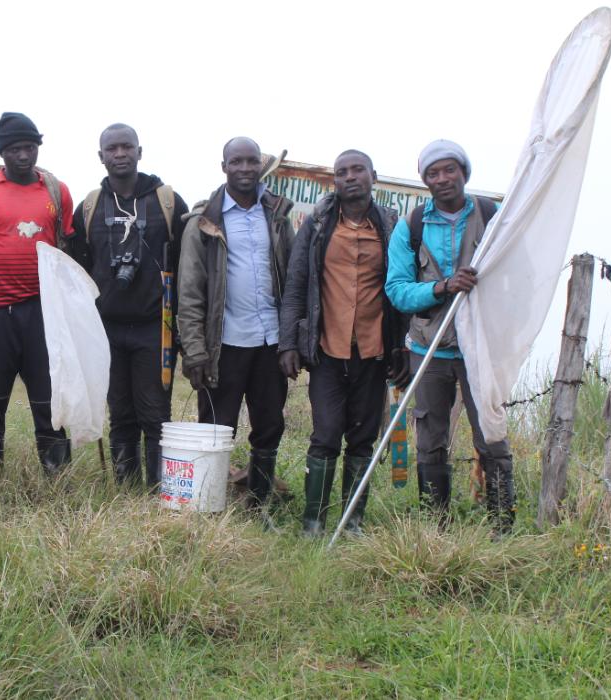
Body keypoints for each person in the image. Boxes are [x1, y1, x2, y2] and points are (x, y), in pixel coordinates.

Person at [385, 139, 515, 535]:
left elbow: (516, 276)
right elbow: (397, 289)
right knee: (430, 439)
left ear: (464, 172)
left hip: (481, 349)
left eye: (449, 170)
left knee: (490, 434)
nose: (442, 179)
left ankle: (501, 525)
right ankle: (435, 528)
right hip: (429, 349)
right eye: (433, 173)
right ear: (424, 180)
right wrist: (441, 288)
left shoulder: (493, 216)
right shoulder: (412, 225)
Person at [279, 150, 409, 536]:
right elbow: (296, 284)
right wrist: (289, 343)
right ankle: (313, 523)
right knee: (325, 435)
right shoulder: (318, 224)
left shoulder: (390, 225)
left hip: (373, 350)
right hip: (327, 350)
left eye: (358, 170)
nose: (350, 177)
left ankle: (352, 523)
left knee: (363, 438)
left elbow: (399, 286)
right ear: (334, 180)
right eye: (342, 172)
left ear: (373, 176)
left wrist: (400, 345)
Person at [67, 123, 188, 488]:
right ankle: (126, 487)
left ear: (139, 151)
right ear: (100, 156)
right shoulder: (89, 207)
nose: (120, 154)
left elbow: (186, 264)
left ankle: (156, 487)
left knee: (155, 413)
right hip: (106, 328)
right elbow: (78, 269)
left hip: (156, 326)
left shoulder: (166, 202)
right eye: (112, 149)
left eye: (126, 147)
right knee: (120, 413)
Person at [177, 137, 295, 510]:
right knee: (215, 428)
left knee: (269, 426)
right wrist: (194, 350)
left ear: (261, 165)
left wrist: (291, 340)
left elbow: (293, 281)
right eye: (237, 162)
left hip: (269, 342)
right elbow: (190, 291)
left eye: (252, 161)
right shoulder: (203, 221)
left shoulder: (276, 216)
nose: (245, 168)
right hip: (223, 344)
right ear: (224, 166)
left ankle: (259, 505)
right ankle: (208, 504)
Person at [0, 112, 74, 490]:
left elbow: (67, 254)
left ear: (38, 147)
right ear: (1, 152)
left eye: (29, 147)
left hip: (44, 314)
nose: (23, 155)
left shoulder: (57, 191)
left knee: (48, 404)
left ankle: (59, 484)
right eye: (13, 149)